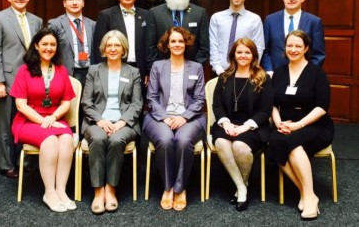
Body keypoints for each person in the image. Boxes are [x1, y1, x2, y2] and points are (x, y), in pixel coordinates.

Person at [268, 30, 334, 220]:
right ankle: (307, 193)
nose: (293, 49)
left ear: (306, 48)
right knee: (275, 141)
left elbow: (322, 107)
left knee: (293, 144)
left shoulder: (317, 73)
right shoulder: (279, 73)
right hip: (285, 122)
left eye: (298, 46)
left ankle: (309, 198)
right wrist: (278, 121)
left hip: (315, 124)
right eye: (290, 45)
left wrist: (298, 125)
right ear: (285, 48)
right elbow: (271, 103)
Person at [9, 27, 77, 212]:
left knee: (67, 139)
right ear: (36, 46)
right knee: (50, 141)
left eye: (52, 44)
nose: (49, 48)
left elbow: (66, 103)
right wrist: (42, 121)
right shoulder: (24, 71)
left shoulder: (61, 70)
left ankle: (61, 190)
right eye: (45, 44)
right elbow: (21, 105)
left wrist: (53, 117)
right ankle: (49, 192)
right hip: (28, 120)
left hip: (54, 119)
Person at [143, 27, 206, 211]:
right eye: (173, 41)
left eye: (180, 41)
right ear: (167, 45)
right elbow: (151, 98)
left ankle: (180, 188)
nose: (177, 44)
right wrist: (165, 117)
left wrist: (184, 117)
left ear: (186, 43)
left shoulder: (196, 67)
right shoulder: (158, 66)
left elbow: (200, 99)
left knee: (184, 141)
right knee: (165, 140)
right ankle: (168, 187)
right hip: (159, 117)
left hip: (190, 117)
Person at [81, 30, 143, 215]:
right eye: (109, 45)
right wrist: (100, 120)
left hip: (125, 123)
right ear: (104, 49)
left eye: (117, 45)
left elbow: (137, 103)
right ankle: (98, 190)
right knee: (99, 139)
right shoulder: (94, 70)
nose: (113, 49)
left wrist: (122, 122)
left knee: (116, 140)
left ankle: (111, 188)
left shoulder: (133, 72)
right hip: (96, 121)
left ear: (123, 49)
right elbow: (86, 101)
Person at [0, 0, 43, 179]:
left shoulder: (37, 20)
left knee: (29, 120)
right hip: (8, 80)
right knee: (6, 124)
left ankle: (26, 161)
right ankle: (7, 164)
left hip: (32, 78)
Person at [211, 38, 273, 211]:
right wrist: (226, 123)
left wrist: (246, 126)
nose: (243, 55)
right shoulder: (224, 77)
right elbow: (217, 105)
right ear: (233, 55)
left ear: (253, 56)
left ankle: (242, 183)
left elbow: (265, 110)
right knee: (222, 143)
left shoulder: (263, 78)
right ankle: (241, 187)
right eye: (239, 52)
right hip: (227, 124)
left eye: (247, 52)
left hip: (254, 126)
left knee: (240, 146)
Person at [146, 0, 209, 73]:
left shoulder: (200, 13)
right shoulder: (154, 13)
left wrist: (194, 67)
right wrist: (157, 68)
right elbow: (150, 47)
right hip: (162, 70)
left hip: (191, 70)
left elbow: (204, 46)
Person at [93, 0, 149, 89]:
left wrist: (148, 71)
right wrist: (103, 71)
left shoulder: (146, 15)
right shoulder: (106, 15)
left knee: (137, 102)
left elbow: (149, 44)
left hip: (140, 69)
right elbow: (99, 47)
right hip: (114, 68)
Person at [261, 0, 325, 76]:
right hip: (275, 75)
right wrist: (269, 70)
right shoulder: (270, 20)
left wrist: (308, 73)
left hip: (303, 76)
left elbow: (319, 54)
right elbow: (265, 50)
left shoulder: (314, 22)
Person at [210, 0, 265, 76]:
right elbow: (213, 46)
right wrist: (219, 69)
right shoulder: (216, 18)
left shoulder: (255, 19)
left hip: (246, 72)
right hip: (220, 72)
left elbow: (258, 48)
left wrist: (251, 69)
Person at [48, 0, 96, 88]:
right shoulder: (55, 24)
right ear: (64, 3)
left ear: (83, 3)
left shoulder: (93, 25)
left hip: (91, 73)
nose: (74, 3)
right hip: (68, 74)